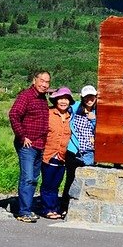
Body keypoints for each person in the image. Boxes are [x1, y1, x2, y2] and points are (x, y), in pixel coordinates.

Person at [8, 70, 51, 222]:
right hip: (27, 145)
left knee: (33, 178)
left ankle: (27, 208)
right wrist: (22, 136)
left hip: (40, 144)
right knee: (27, 177)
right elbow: (14, 114)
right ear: (35, 80)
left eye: (47, 82)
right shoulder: (26, 96)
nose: (44, 84)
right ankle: (23, 212)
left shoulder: (42, 99)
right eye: (42, 81)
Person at [59, 84, 98, 218]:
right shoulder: (75, 109)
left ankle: (84, 209)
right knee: (70, 179)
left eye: (92, 97)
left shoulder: (99, 112)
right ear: (82, 97)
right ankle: (64, 207)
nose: (89, 100)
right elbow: (64, 109)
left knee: (88, 181)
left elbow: (99, 131)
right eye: (86, 97)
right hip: (74, 150)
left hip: (90, 153)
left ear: (96, 97)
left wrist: (93, 120)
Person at [39, 87, 75, 220]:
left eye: (66, 99)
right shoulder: (48, 113)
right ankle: (47, 208)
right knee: (47, 183)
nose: (63, 102)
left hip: (63, 156)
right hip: (48, 154)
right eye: (60, 99)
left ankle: (54, 207)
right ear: (55, 100)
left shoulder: (71, 116)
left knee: (56, 184)